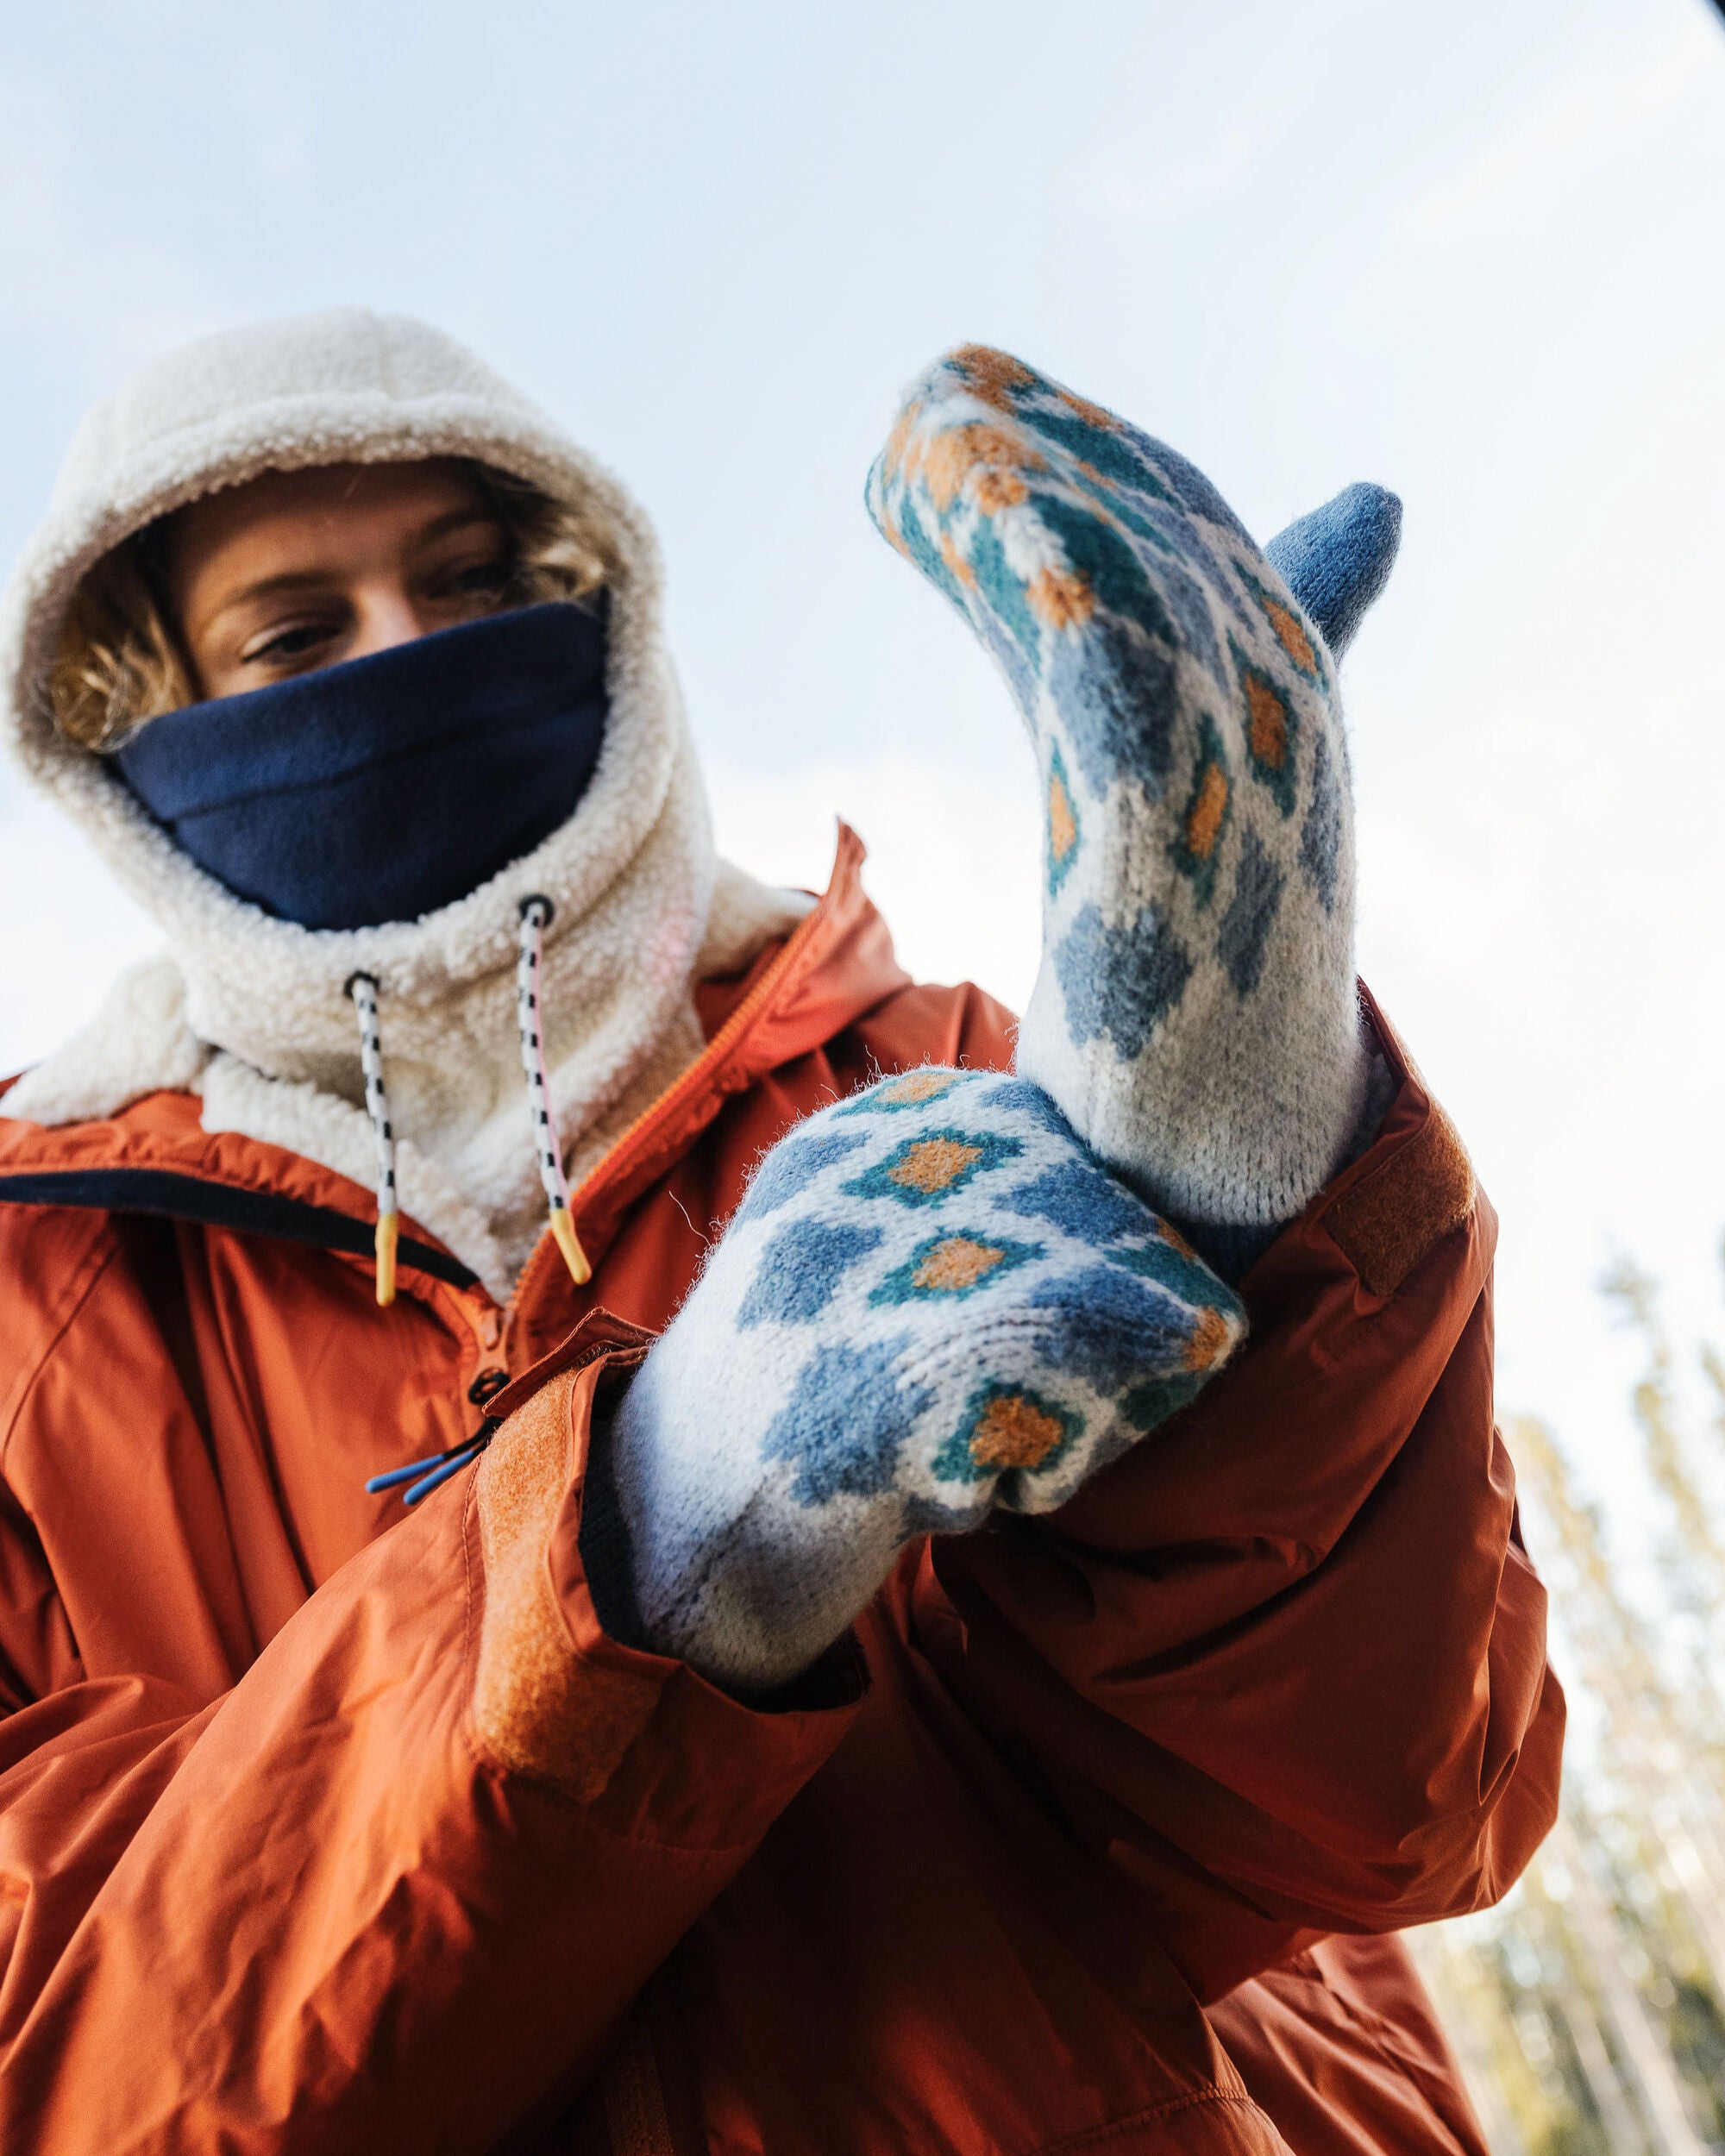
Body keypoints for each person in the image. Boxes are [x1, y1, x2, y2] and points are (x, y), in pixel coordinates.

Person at [0, 310, 1560, 2154]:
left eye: (471, 581)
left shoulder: (957, 1073)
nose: (403, 663)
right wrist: (652, 1536)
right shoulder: (34, 1309)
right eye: (293, 637)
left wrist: (1258, 1166)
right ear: (146, 724)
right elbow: (65, 2061)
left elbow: (1392, 1798)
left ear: (598, 608)